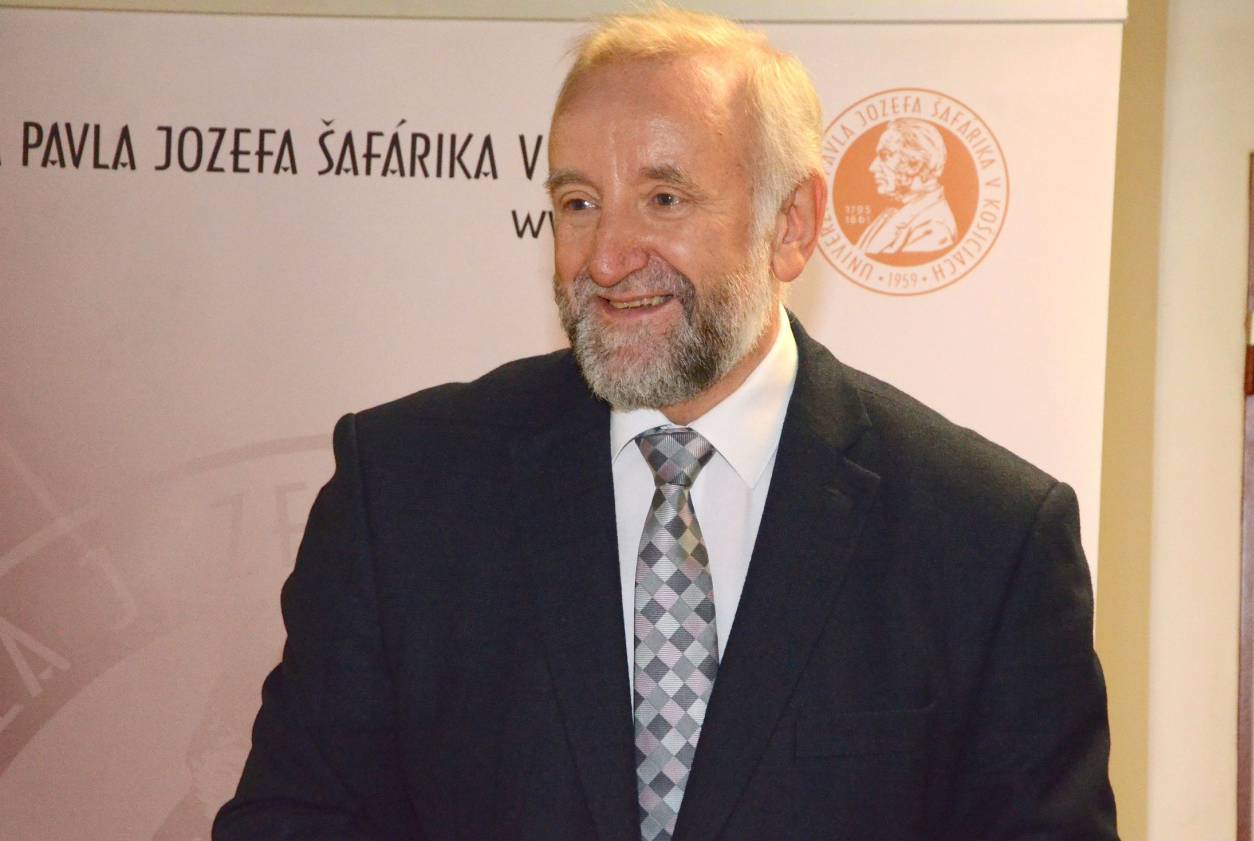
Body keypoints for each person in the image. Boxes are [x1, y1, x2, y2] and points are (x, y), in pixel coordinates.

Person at [214, 8, 1118, 841]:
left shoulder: (986, 539)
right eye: (578, 203)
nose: (607, 258)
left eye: (665, 199)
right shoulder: (403, 493)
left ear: (792, 224)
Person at [857, 118, 959, 255]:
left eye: (885, 156)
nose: (872, 167)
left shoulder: (934, 228)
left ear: (914, 164)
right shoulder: (892, 212)